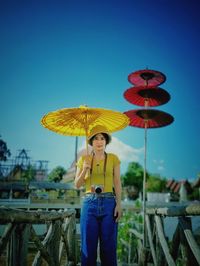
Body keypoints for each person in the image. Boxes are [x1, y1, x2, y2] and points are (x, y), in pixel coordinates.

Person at [74, 125, 122, 266]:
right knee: (88, 248)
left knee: (109, 247)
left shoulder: (113, 158)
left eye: (102, 138)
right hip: (90, 203)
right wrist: (84, 169)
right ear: (91, 141)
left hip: (109, 203)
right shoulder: (84, 159)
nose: (99, 141)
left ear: (106, 141)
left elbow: (117, 182)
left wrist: (119, 204)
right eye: (96, 138)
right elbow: (77, 184)